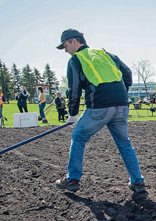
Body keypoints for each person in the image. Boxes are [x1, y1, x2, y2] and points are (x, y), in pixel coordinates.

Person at [54, 28, 146, 195]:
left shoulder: (75, 60)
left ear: (74, 41)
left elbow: (73, 90)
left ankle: (72, 179)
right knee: (124, 143)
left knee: (78, 137)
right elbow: (128, 73)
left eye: (66, 45)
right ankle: (138, 181)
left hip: (100, 107)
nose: (65, 50)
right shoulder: (107, 54)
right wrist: (120, 93)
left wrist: (72, 114)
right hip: (122, 105)